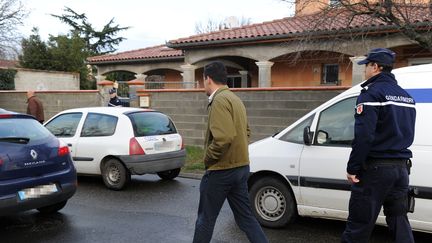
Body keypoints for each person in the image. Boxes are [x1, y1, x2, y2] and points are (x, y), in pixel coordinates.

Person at [341, 48, 416, 243]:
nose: (364, 70)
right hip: (401, 170)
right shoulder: (407, 97)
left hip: (375, 170)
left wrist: (353, 168)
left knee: (358, 226)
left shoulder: (371, 94)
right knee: (400, 222)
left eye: (366, 65)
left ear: (376, 67)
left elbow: (364, 136)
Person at [192, 61, 268, 243]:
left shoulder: (219, 101)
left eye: (203, 80)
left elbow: (223, 138)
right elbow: (246, 132)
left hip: (221, 171)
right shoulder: (235, 99)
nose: (203, 84)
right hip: (241, 168)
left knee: (205, 220)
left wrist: (208, 158)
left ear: (208, 79)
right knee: (246, 218)